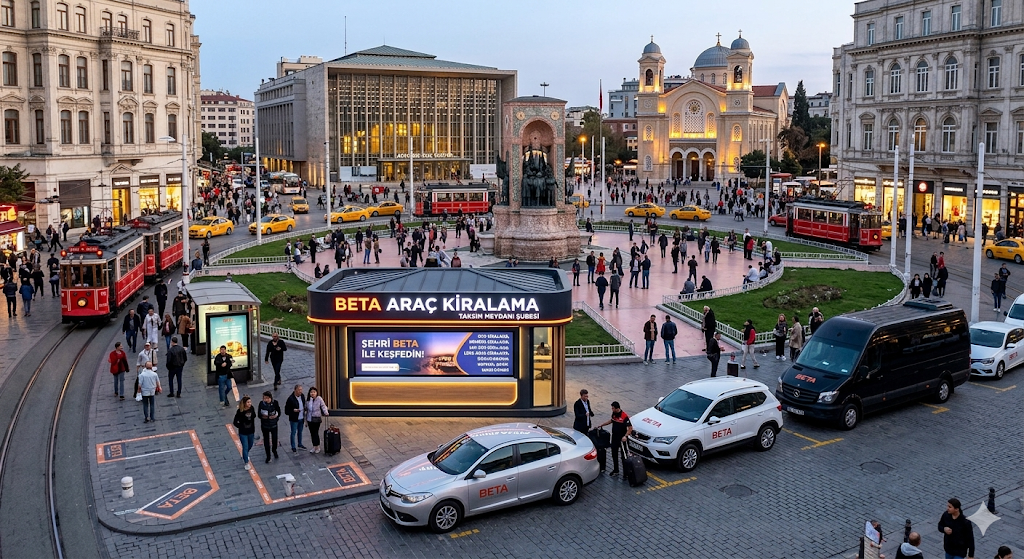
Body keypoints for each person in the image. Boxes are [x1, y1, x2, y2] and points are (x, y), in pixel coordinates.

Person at [597, 401, 633, 477]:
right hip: (614, 438)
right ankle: (616, 470)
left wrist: (625, 436)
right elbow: (611, 420)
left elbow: (630, 428)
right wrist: (602, 424)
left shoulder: (624, 416)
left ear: (617, 408)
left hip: (622, 439)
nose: (612, 409)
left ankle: (626, 473)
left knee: (624, 456)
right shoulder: (614, 414)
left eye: (613, 408)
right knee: (614, 454)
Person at [232, 396, 257, 471]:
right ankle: (246, 462)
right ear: (244, 403)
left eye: (250, 402)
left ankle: (244, 454)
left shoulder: (252, 408)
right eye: (248, 402)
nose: (250, 403)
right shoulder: (240, 411)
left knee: (250, 444)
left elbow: (254, 416)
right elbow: (235, 422)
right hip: (243, 432)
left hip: (251, 431)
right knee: (245, 446)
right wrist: (240, 426)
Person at [304, 387, 329, 454]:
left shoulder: (319, 399)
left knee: (315, 432)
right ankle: (314, 446)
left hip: (316, 418)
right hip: (309, 419)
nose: (313, 393)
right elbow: (306, 410)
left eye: (314, 392)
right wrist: (305, 421)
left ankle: (317, 446)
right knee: (312, 433)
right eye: (311, 392)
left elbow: (323, 406)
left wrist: (326, 412)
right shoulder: (308, 400)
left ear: (316, 393)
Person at [258, 391, 281, 463]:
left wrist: (275, 418)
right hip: (265, 425)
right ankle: (268, 456)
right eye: (264, 398)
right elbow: (259, 414)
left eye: (266, 398)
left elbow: (279, 412)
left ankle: (274, 450)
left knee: (274, 439)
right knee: (266, 441)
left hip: (273, 425)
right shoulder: (261, 404)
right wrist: (265, 417)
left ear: (270, 398)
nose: (265, 400)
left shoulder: (275, 403)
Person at [284, 385, 307, 452]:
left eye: (301, 389)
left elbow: (304, 404)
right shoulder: (290, 399)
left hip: (301, 417)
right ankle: (293, 446)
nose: (300, 391)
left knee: (300, 432)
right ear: (295, 390)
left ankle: (300, 444)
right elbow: (286, 411)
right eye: (299, 390)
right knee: (293, 432)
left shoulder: (302, 396)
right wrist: (293, 410)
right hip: (294, 419)